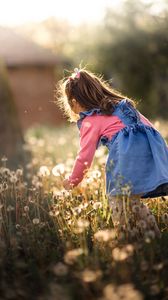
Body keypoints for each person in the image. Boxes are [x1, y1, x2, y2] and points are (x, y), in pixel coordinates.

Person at [55, 67, 168, 239]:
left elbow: (84, 157)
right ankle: (154, 239)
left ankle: (127, 241)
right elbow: (150, 130)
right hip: (151, 153)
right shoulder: (122, 108)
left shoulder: (91, 120)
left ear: (75, 101)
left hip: (128, 158)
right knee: (132, 202)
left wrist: (73, 180)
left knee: (118, 201)